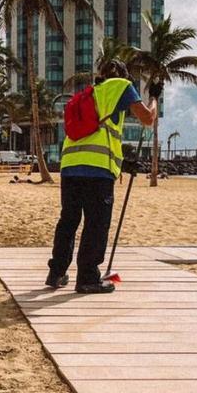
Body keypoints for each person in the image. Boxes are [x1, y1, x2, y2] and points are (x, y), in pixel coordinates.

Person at [46, 60, 157, 294]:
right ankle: (87, 277)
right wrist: (155, 99)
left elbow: (97, 133)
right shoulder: (122, 86)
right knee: (96, 223)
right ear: (124, 76)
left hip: (70, 165)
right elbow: (147, 118)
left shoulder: (90, 95)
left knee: (69, 220)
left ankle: (56, 272)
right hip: (96, 170)